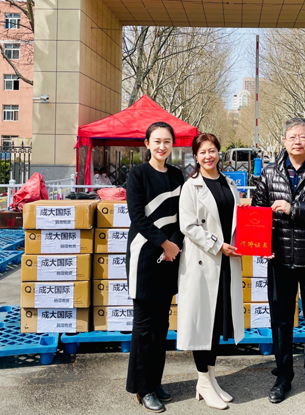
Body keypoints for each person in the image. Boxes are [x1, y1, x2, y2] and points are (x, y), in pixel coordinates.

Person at [251, 117, 305, 407]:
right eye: (292, 136)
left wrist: (293, 209)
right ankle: (283, 377)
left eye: (302, 136)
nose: (297, 141)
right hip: (279, 261)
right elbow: (258, 211)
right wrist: (261, 245)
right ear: (284, 141)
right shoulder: (269, 172)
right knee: (280, 322)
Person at [177, 133, 245, 410]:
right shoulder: (191, 187)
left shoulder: (229, 184)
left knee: (216, 322)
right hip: (204, 261)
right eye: (203, 152)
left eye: (212, 150)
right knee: (202, 323)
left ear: (219, 153)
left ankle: (210, 379)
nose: (208, 156)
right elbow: (188, 226)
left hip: (226, 262)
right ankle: (203, 381)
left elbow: (237, 221)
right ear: (195, 156)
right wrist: (218, 245)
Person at [125, 122, 184, 413]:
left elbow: (183, 216)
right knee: (144, 327)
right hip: (144, 258)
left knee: (162, 326)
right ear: (147, 143)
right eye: (157, 141)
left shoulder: (177, 175)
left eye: (167, 141)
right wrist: (164, 243)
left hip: (170, 258)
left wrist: (175, 245)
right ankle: (142, 387)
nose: (162, 146)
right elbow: (137, 216)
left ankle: (155, 381)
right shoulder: (137, 174)